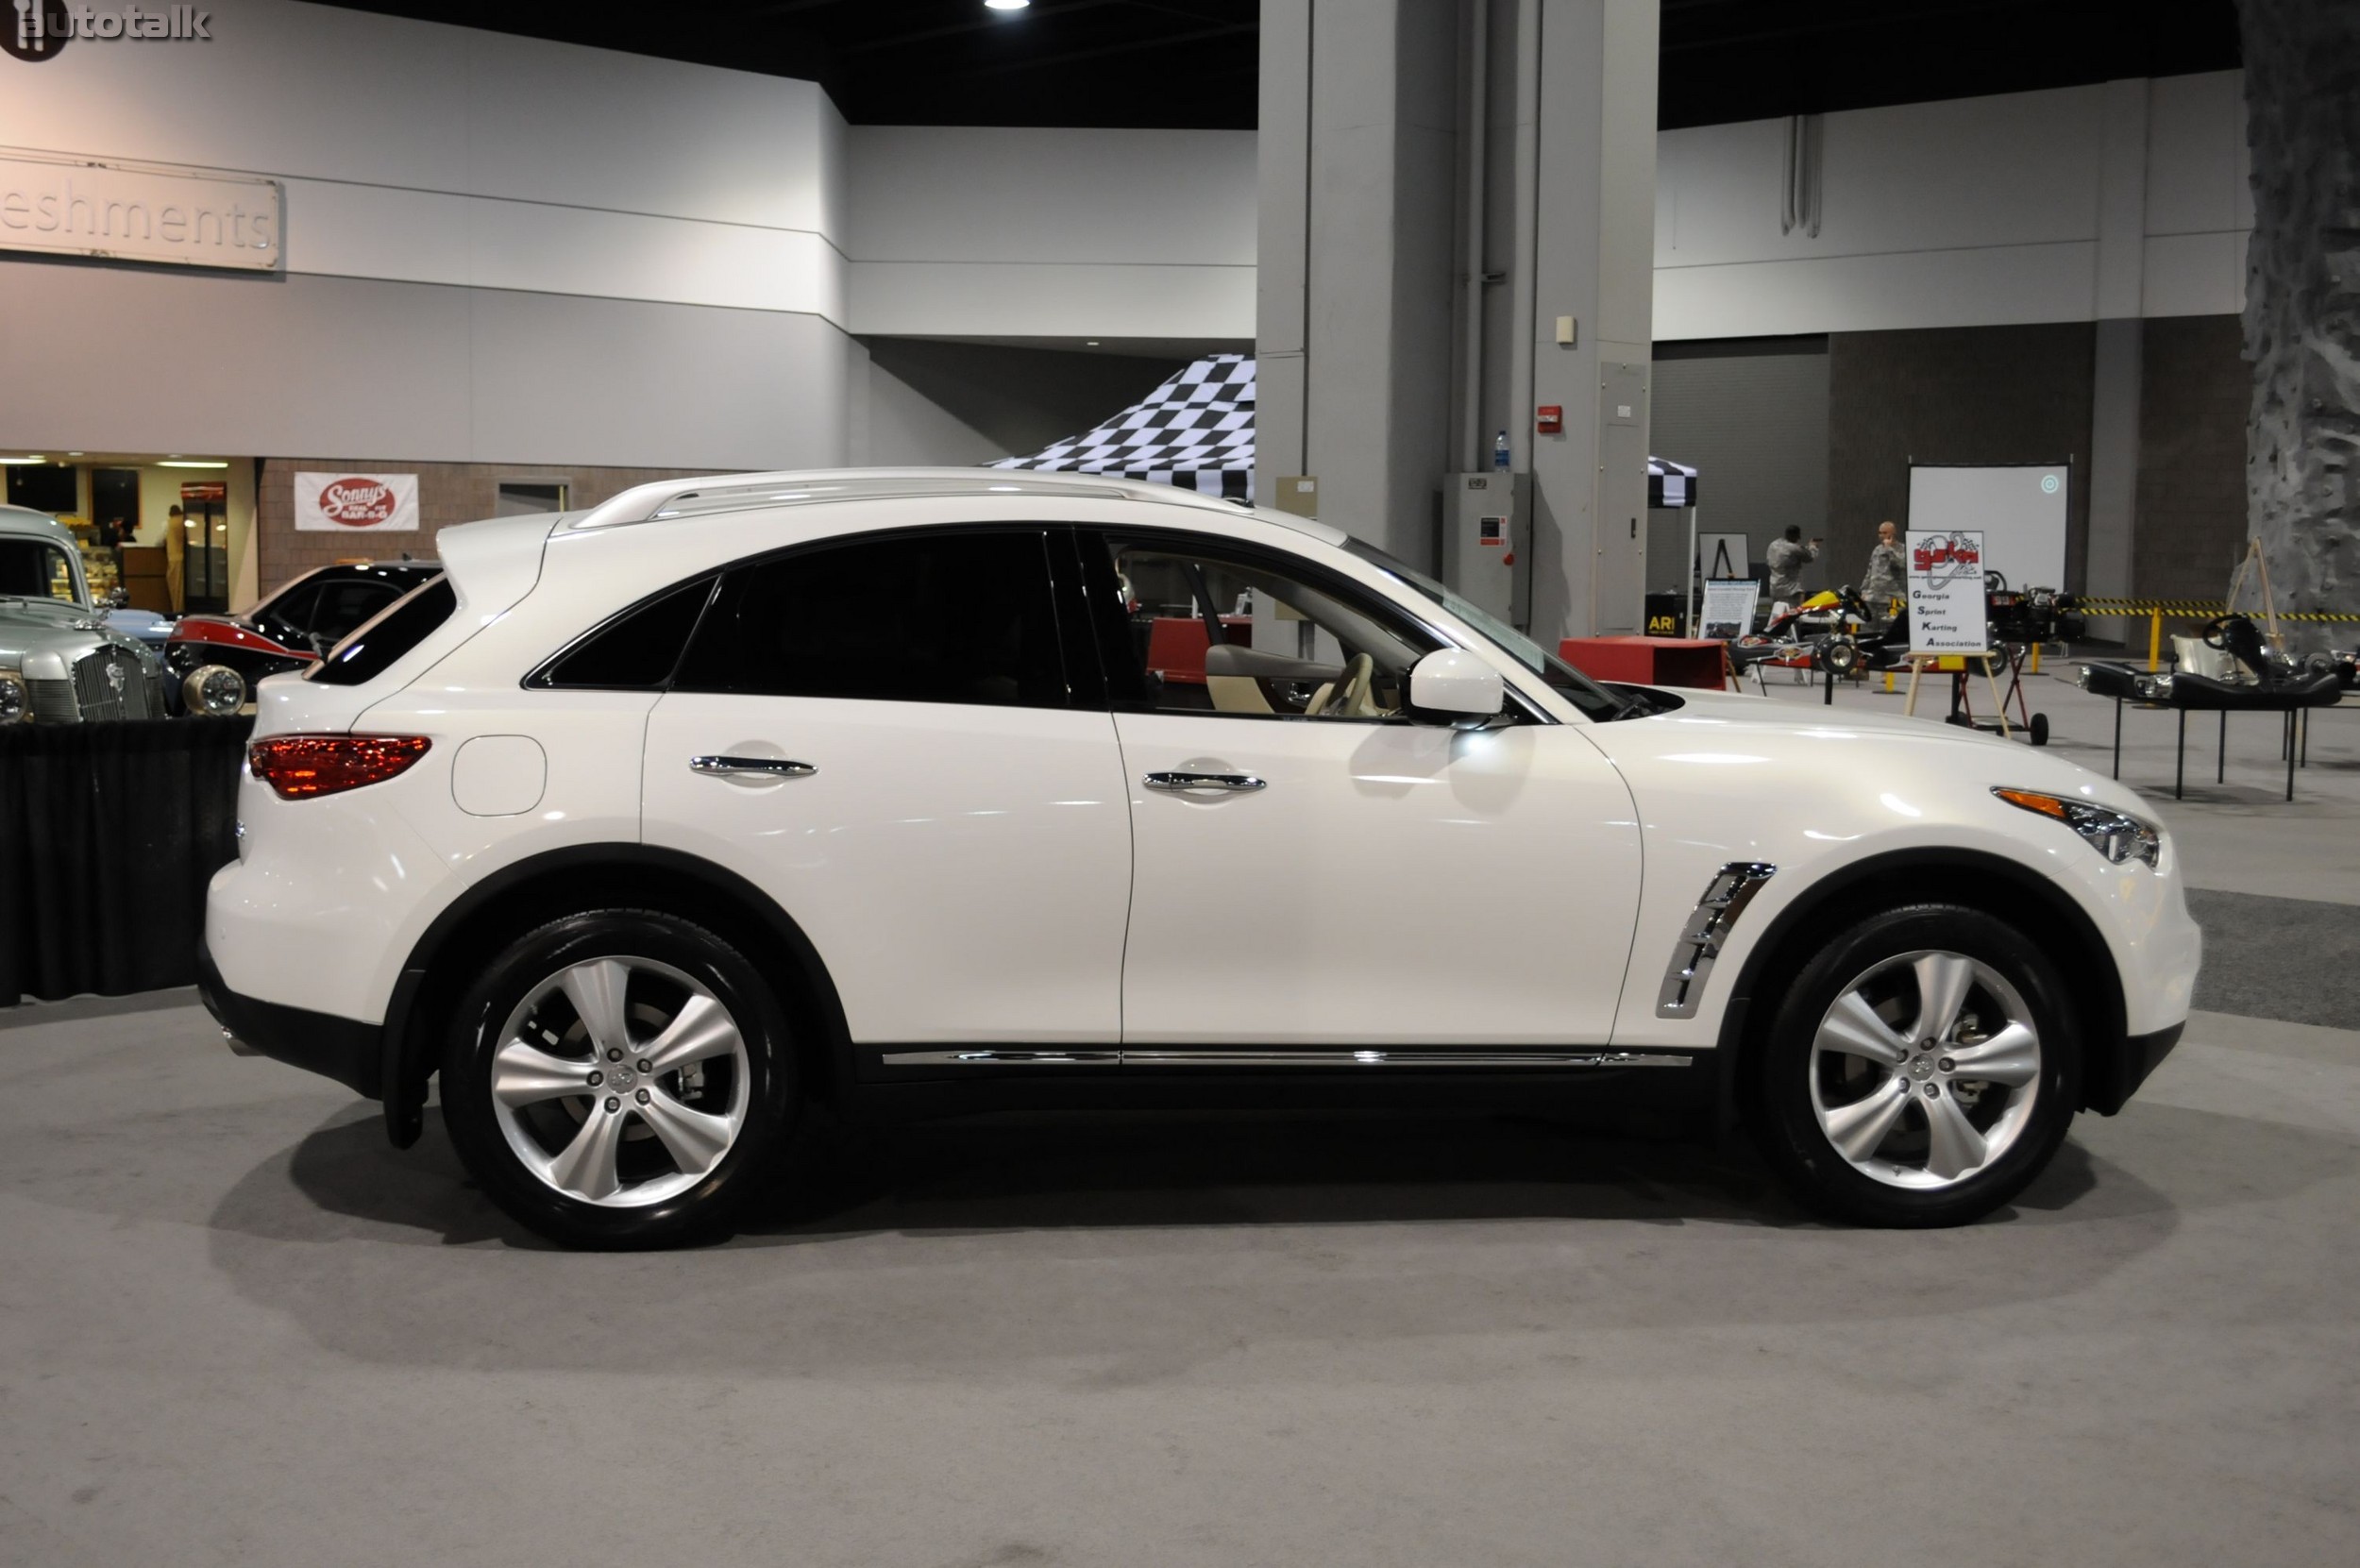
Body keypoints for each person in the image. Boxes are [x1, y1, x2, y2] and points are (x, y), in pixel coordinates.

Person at [1765, 525, 1821, 606]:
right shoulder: (1794, 548)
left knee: (1778, 614)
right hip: (1790, 590)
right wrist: (1813, 547)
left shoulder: (1773, 544)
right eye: (1797, 537)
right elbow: (1810, 557)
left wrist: (1804, 549)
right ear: (1795, 536)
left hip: (1775, 588)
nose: (1798, 539)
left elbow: (1791, 552)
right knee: (1792, 615)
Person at [1862, 519, 1906, 611]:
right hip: (1873, 598)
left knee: (1889, 625)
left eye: (1885, 533)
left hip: (1892, 598)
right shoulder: (1877, 549)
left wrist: (1889, 549)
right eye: (1880, 533)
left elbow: (1901, 564)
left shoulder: (1902, 549)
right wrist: (1864, 590)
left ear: (1893, 534)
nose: (1881, 536)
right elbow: (1870, 571)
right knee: (1869, 624)